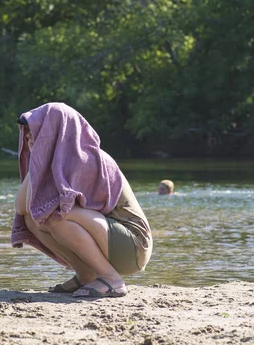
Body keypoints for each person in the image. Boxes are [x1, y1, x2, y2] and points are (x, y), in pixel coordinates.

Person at [12, 102, 152, 298]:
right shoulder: (56, 163)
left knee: (53, 214)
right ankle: (86, 275)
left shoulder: (86, 158)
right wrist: (37, 159)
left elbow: (53, 209)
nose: (28, 135)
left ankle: (112, 279)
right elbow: (22, 207)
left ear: (55, 131)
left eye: (35, 129)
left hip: (133, 245)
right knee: (32, 218)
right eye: (26, 131)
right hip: (109, 240)